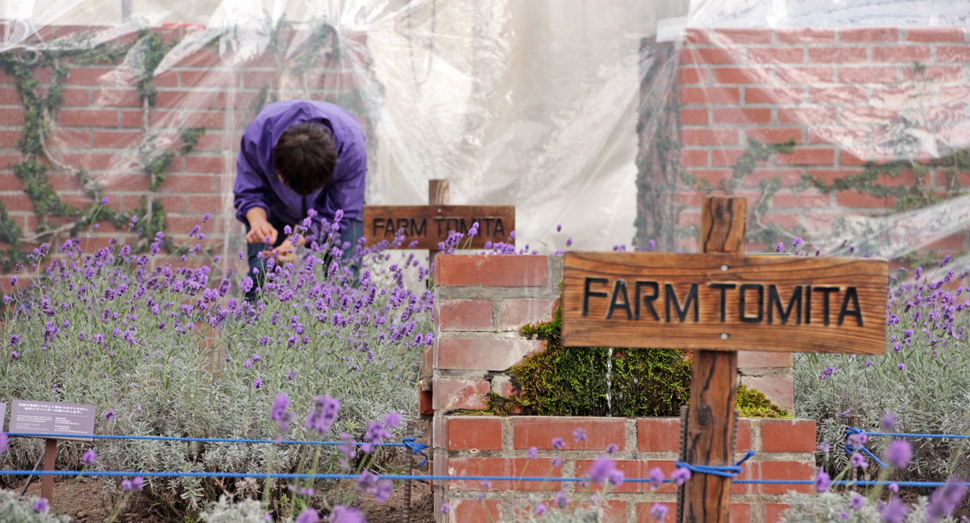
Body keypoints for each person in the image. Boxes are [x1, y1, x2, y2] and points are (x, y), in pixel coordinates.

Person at [233, 100, 366, 300]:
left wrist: (298, 240)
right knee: (260, 277)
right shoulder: (259, 135)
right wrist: (258, 221)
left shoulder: (351, 146)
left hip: (337, 209)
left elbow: (341, 208)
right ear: (277, 173)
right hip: (273, 205)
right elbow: (250, 189)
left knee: (345, 282)